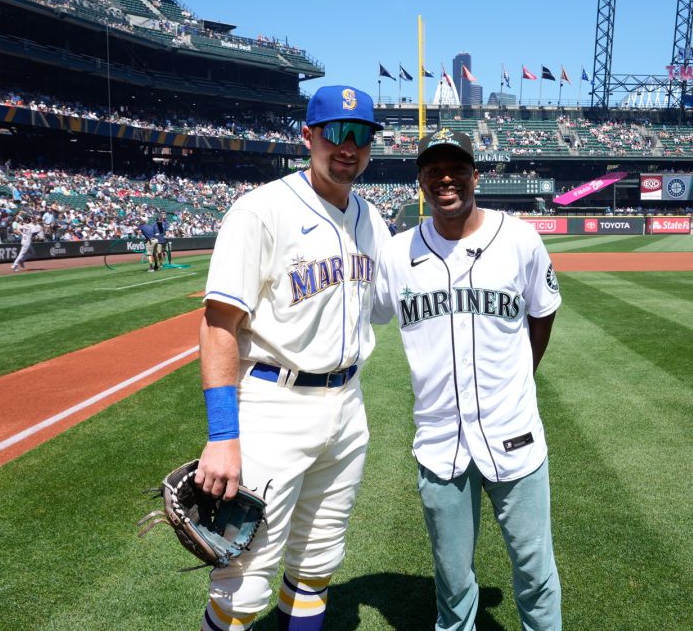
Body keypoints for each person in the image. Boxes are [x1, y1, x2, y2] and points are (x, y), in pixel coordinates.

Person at [193, 85, 389, 631]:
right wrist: (222, 435)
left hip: (348, 407)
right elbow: (217, 326)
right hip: (272, 407)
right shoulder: (261, 210)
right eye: (337, 133)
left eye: (361, 136)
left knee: (316, 565)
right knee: (242, 585)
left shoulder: (371, 219)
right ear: (309, 136)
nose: (348, 147)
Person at [372, 129, 563, 631]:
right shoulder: (396, 254)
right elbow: (359, 312)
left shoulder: (519, 238)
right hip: (439, 440)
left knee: (534, 571)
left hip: (514, 431)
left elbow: (542, 314)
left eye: (456, 167)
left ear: (476, 174)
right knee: (452, 580)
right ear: (421, 181)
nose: (446, 178)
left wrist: (523, 374)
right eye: (434, 170)